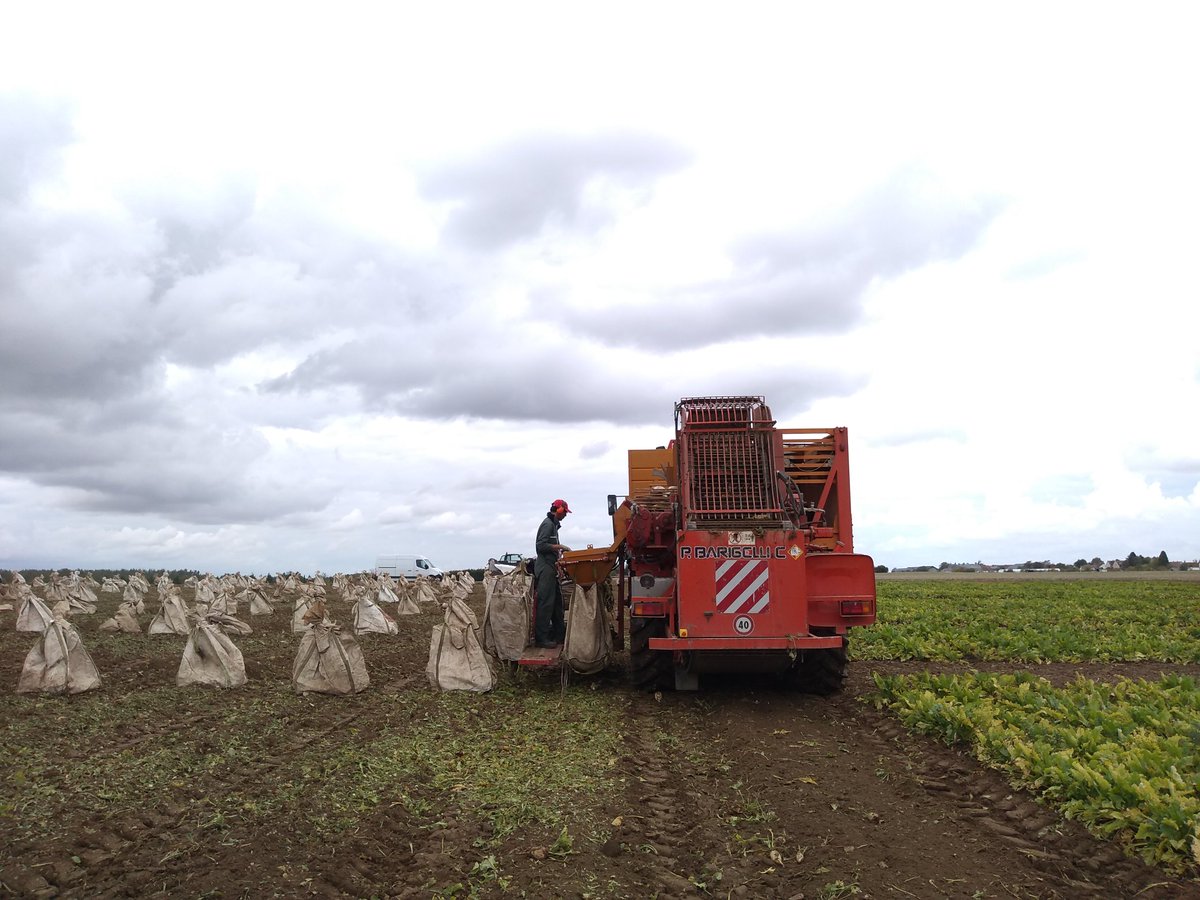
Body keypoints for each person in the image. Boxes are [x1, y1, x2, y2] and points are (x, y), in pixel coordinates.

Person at [533, 499, 571, 647]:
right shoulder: (547, 525)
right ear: (559, 510)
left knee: (557, 604)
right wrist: (560, 546)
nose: (566, 516)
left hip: (552, 567)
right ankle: (541, 639)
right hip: (545, 568)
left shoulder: (554, 526)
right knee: (546, 603)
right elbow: (541, 546)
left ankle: (559, 635)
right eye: (565, 513)